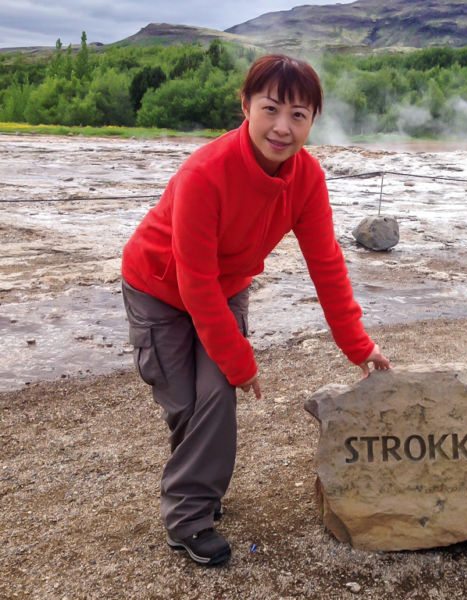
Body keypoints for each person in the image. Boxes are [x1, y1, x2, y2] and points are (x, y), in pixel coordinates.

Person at [120, 54, 391, 567]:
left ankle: (188, 518)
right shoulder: (206, 172)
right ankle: (197, 488)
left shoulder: (307, 178)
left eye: (299, 115)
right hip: (159, 286)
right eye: (271, 109)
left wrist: (359, 343)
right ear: (245, 106)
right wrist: (243, 361)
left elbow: (326, 264)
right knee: (185, 402)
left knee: (215, 397)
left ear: (313, 120)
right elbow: (193, 280)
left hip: (223, 289)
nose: (282, 127)